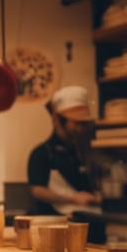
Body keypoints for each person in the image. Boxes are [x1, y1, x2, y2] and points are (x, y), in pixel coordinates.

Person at [27, 85, 100, 215]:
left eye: (83, 124)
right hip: (54, 223)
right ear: (58, 120)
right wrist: (73, 198)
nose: (80, 128)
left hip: (88, 220)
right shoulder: (41, 153)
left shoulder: (81, 152)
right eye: (76, 123)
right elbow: (37, 190)